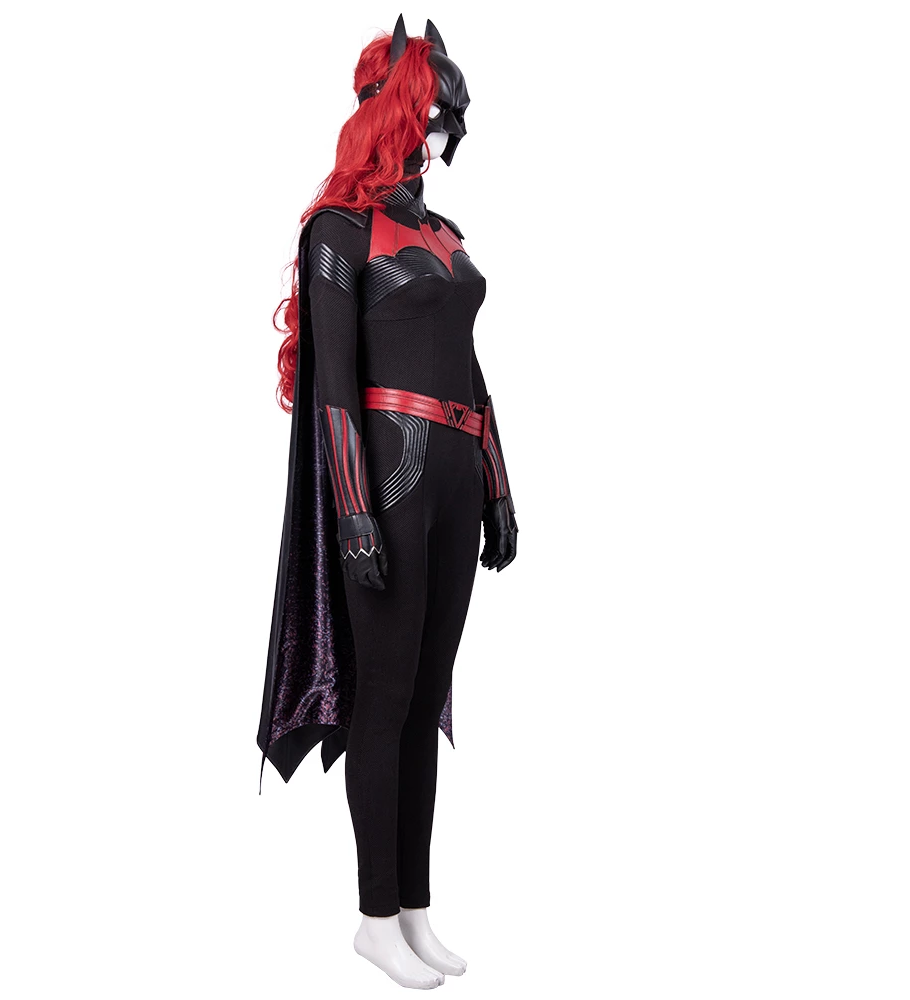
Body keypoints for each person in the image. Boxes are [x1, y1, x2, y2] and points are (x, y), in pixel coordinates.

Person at [257, 16, 519, 988]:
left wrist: (498, 482)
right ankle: (374, 918)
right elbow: (332, 385)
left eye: (455, 117)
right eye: (440, 112)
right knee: (387, 697)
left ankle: (413, 908)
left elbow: (470, 367)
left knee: (426, 700)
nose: (450, 133)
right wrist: (353, 509)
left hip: (453, 477)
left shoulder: (444, 236)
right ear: (399, 110)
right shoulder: (337, 230)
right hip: (389, 480)